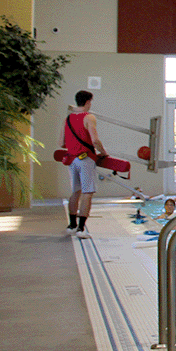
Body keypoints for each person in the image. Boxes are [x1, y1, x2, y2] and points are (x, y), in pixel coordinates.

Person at [62, 90, 109, 239]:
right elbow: (95, 140)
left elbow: (62, 143)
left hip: (72, 159)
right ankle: (82, 229)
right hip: (86, 159)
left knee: (75, 192)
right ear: (88, 101)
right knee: (87, 193)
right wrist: (103, 152)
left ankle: (72, 226)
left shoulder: (68, 119)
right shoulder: (89, 117)